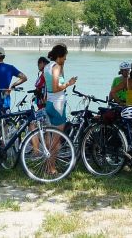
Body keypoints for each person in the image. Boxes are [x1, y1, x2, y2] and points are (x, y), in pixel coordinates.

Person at [43, 43, 77, 173]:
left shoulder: (47, 66)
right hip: (58, 105)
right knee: (57, 139)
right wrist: (69, 83)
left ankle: (47, 165)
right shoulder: (56, 67)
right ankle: (51, 168)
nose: (66, 59)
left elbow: (50, 86)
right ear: (60, 56)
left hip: (49, 104)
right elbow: (56, 87)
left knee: (49, 136)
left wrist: (62, 65)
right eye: (65, 56)